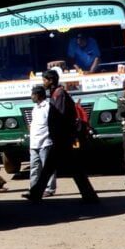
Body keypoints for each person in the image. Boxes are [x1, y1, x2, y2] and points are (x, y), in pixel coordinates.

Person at [25, 69, 98, 203]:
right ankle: (36, 194)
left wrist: (56, 136)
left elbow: (60, 117)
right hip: (60, 138)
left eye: (45, 80)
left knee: (68, 169)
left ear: (51, 81)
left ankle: (90, 196)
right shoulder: (55, 94)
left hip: (62, 139)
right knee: (53, 168)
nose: (44, 83)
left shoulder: (59, 95)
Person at [27, 85, 57, 198]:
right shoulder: (35, 108)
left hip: (45, 142)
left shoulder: (48, 107)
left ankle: (49, 189)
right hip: (34, 143)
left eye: (33, 94)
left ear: (38, 95)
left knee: (48, 168)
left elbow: (51, 124)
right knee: (34, 168)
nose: (31, 97)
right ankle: (34, 189)